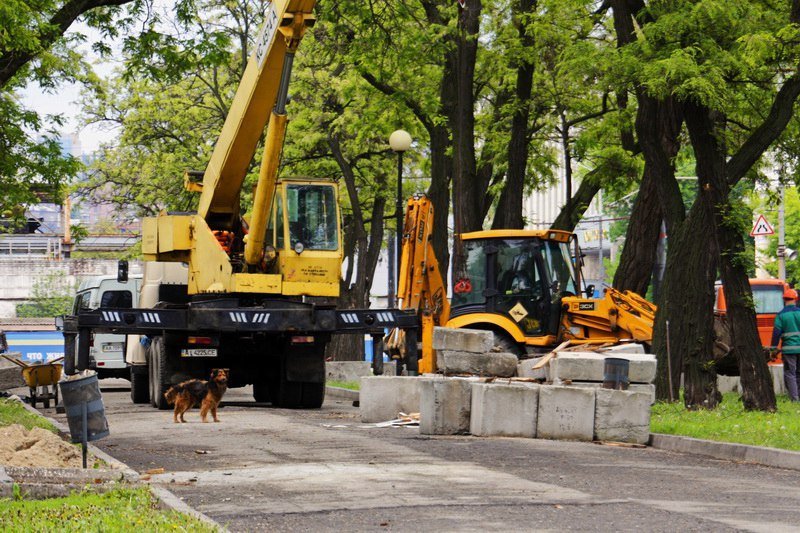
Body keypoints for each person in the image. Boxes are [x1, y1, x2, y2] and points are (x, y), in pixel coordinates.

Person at [770, 287, 800, 401]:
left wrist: (773, 349)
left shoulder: (781, 315)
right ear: (795, 299)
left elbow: (776, 333)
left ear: (784, 300)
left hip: (789, 349)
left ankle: (794, 399)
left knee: (790, 373)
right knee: (798, 373)